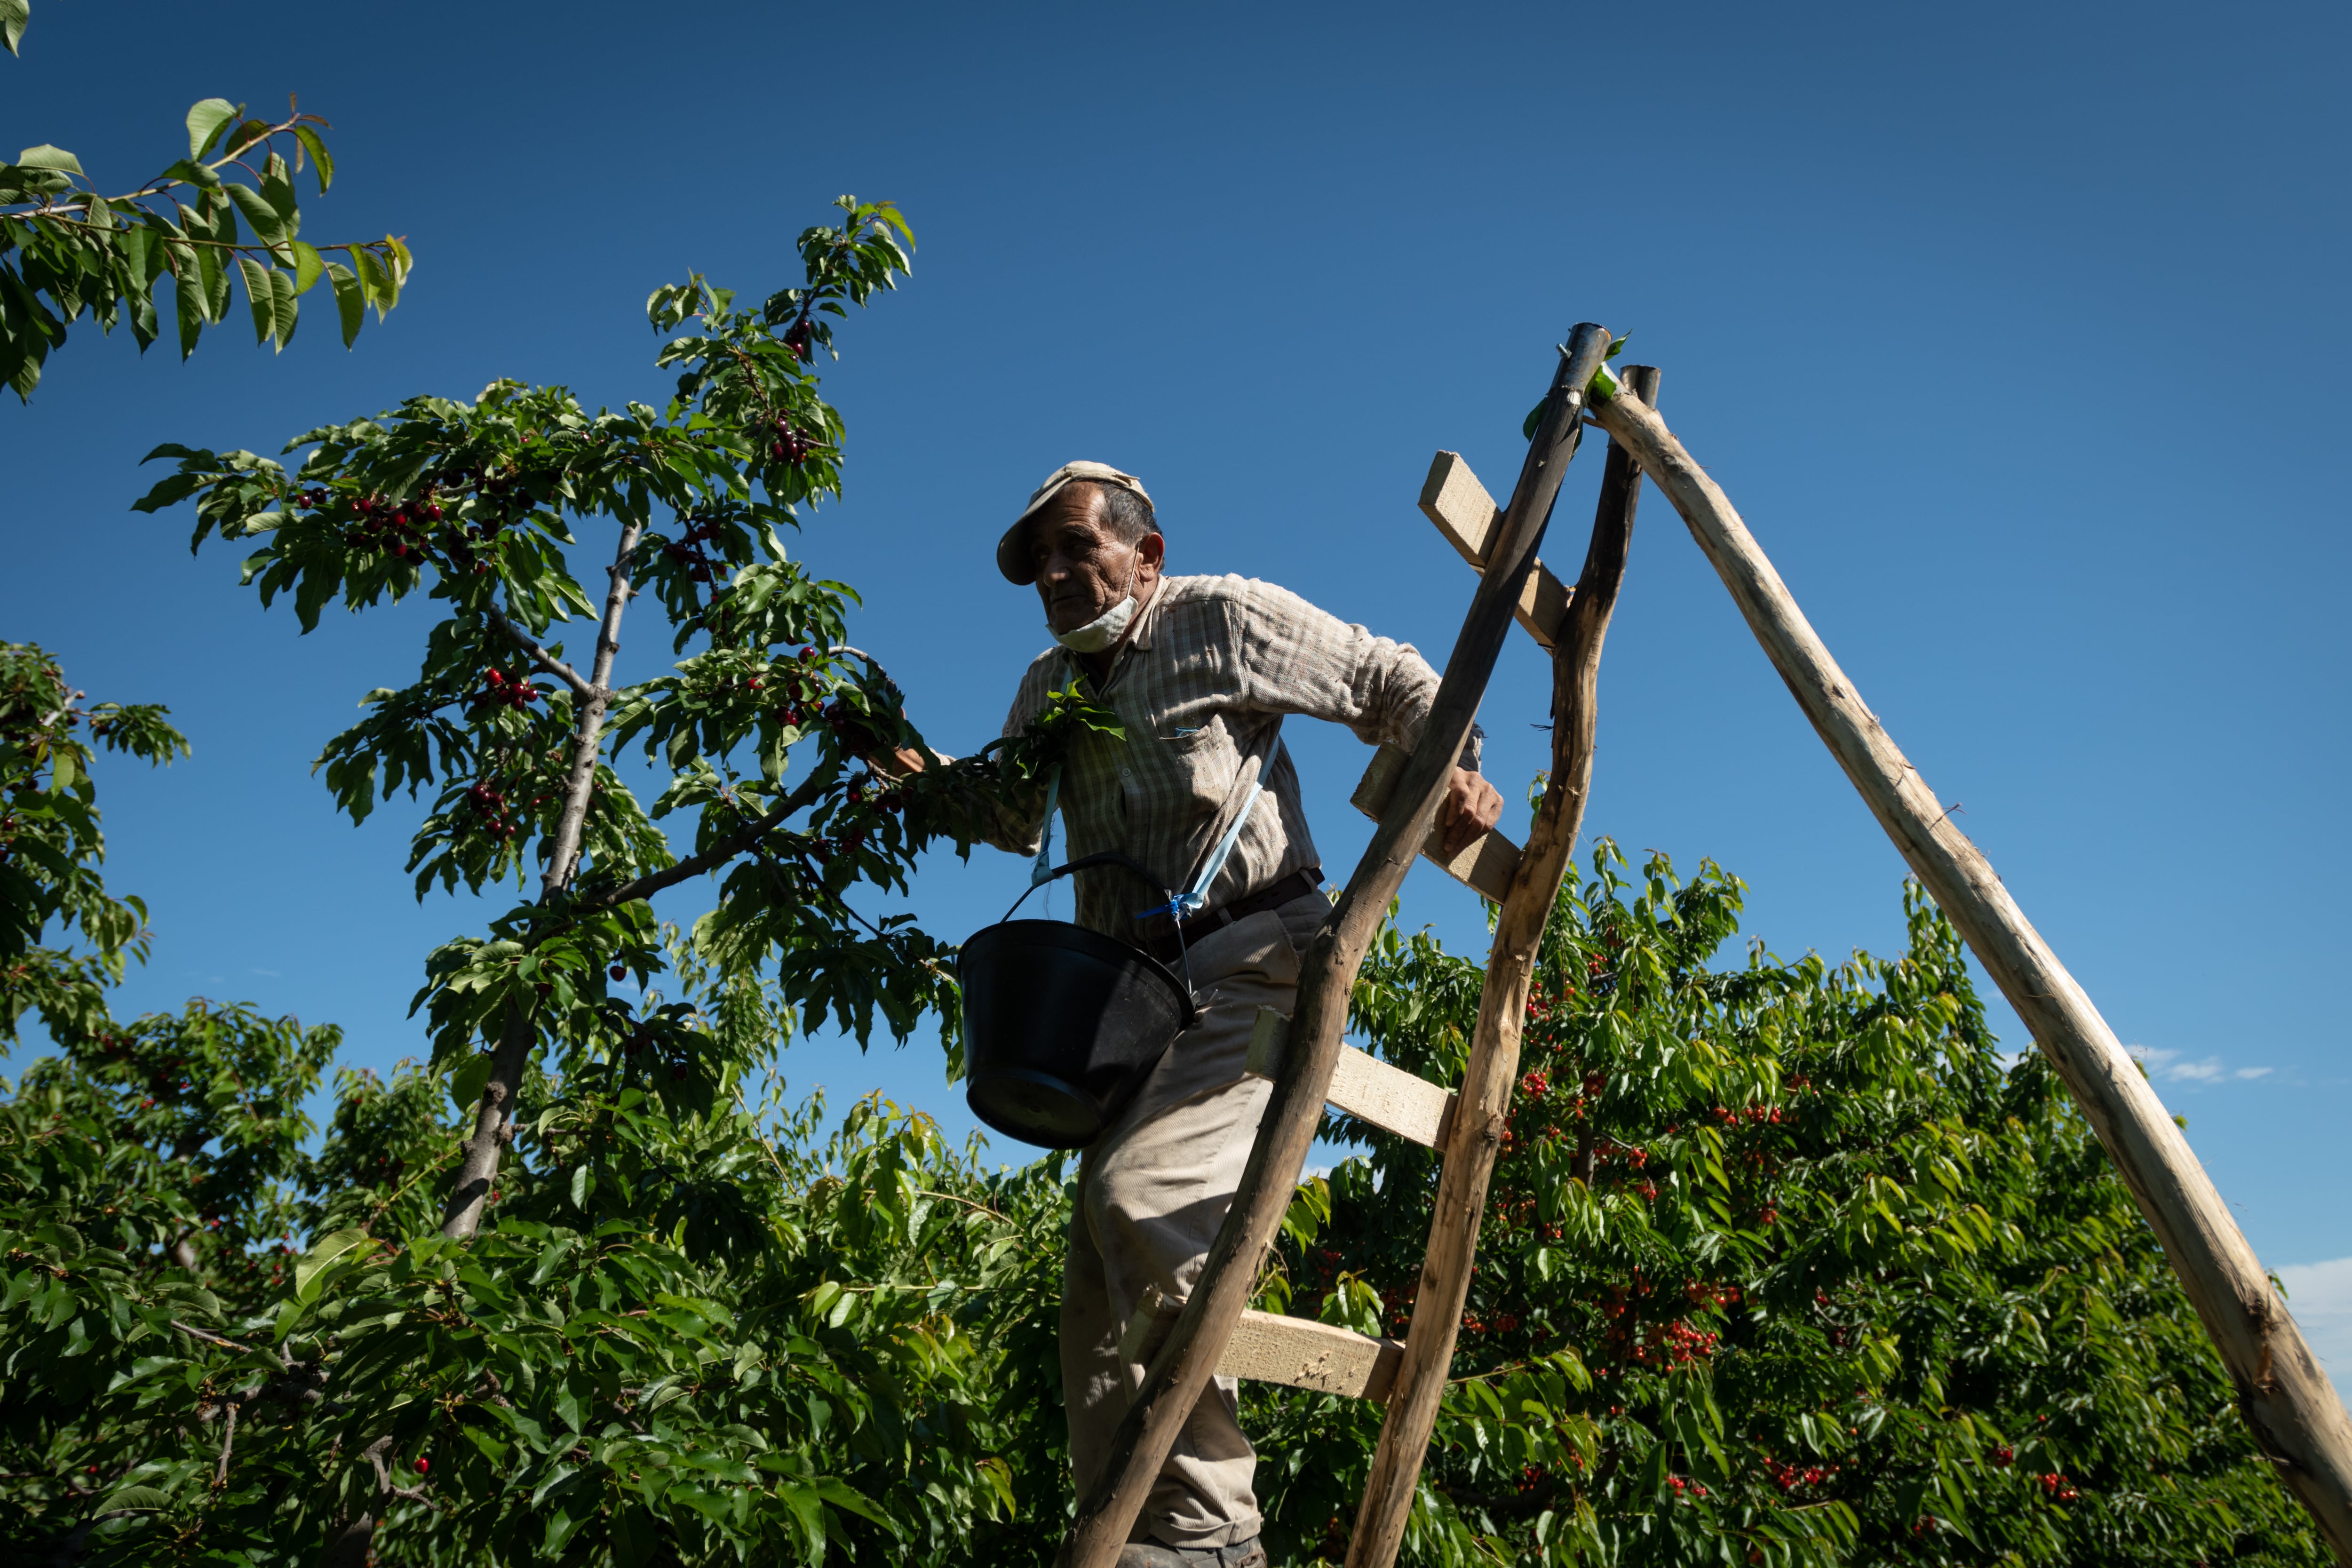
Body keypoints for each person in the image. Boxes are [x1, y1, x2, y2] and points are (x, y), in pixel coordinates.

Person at [878, 461, 1502, 1567]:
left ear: (1145, 555)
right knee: (1090, 1289)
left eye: (1079, 548)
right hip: (1126, 1005)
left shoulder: (1216, 618)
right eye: (1041, 566)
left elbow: (1388, 677)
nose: (1059, 576)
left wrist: (1455, 763)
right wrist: (900, 763)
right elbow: (1004, 809)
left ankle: (1216, 1538)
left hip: (1253, 958)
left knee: (1139, 1199)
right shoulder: (1049, 686)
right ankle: (1144, 1537)